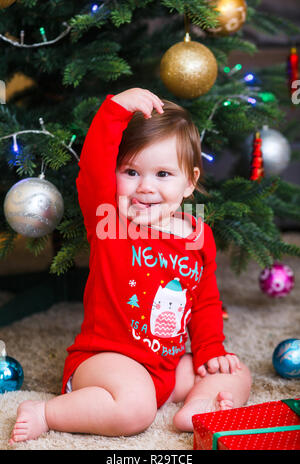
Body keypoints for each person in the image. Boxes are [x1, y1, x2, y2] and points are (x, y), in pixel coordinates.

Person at [9, 88, 251, 444]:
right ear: (116, 172)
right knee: (137, 411)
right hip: (106, 361)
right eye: (132, 171)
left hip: (166, 367)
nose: (145, 187)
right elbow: (92, 168)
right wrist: (115, 110)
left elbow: (204, 300)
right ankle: (46, 412)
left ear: (191, 181)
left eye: (164, 174)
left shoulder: (198, 232)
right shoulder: (110, 222)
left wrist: (210, 349)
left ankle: (198, 408)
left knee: (235, 370)